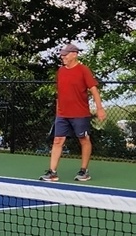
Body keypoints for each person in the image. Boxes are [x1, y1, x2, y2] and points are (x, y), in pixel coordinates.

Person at [41, 43, 106, 182]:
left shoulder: (83, 70)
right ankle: (52, 172)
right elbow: (60, 93)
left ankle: (84, 171)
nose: (62, 56)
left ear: (74, 54)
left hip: (80, 114)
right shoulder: (61, 71)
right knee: (57, 140)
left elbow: (94, 90)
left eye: (66, 54)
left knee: (84, 140)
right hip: (62, 115)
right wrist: (58, 111)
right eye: (62, 54)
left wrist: (100, 108)